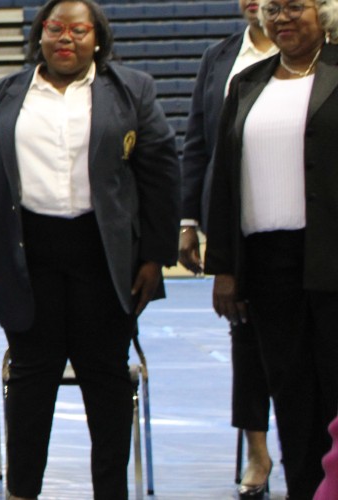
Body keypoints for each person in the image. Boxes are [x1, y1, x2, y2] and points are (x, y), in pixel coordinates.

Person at [0, 0, 180, 498]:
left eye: (79, 30)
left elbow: (161, 174)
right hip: (26, 258)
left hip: (105, 260)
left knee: (107, 385)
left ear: (96, 38)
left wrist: (155, 257)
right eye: (55, 27)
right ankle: (23, 491)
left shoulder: (132, 91)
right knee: (31, 385)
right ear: (39, 35)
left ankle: (110, 493)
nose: (66, 38)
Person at [205, 0, 338, 498]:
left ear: (321, 12)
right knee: (291, 393)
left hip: (332, 257)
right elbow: (225, 183)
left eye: (295, 7)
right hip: (266, 267)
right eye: (274, 8)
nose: (282, 17)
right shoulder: (246, 83)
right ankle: (304, 489)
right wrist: (225, 268)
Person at [178, 0, 278, 496]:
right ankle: (258, 453)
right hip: (233, 219)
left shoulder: (319, 53)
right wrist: (188, 222)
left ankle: (321, 451)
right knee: (247, 342)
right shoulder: (217, 59)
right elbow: (197, 143)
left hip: (301, 216)